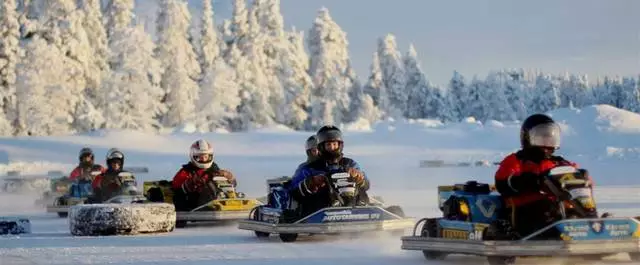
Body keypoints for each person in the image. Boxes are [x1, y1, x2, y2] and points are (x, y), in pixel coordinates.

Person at [494, 113, 587, 238]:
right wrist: (530, 181)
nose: (547, 143)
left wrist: (582, 176)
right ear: (528, 138)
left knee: (576, 205)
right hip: (527, 210)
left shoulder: (560, 162)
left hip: (559, 206)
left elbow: (573, 173)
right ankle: (554, 233)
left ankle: (590, 225)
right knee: (546, 207)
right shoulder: (516, 160)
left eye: (550, 138)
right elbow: (503, 182)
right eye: (542, 138)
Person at [289, 125, 369, 216]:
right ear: (321, 147)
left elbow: (366, 185)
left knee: (357, 188)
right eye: (328, 145)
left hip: (354, 207)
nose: (332, 148)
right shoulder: (310, 168)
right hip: (319, 211)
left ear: (340, 145)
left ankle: (361, 209)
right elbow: (293, 190)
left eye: (334, 144)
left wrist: (359, 177)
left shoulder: (350, 164)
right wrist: (311, 182)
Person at [171, 139, 236, 211]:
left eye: (206, 156)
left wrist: (229, 178)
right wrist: (192, 183)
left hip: (217, 199)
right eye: (200, 157)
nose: (204, 159)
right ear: (194, 156)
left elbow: (233, 184)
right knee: (209, 185)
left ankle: (232, 203)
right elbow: (176, 189)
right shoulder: (186, 171)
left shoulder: (215, 169)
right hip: (194, 204)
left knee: (216, 184)